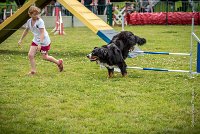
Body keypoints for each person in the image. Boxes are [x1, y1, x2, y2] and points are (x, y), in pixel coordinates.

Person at [18, 5, 63, 75]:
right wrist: (21, 39)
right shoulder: (29, 21)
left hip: (44, 41)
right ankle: (33, 71)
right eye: (34, 14)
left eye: (37, 14)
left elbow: (42, 33)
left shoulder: (40, 21)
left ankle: (58, 62)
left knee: (45, 57)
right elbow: (26, 30)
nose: (36, 16)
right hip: (36, 40)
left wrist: (40, 44)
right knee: (30, 55)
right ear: (29, 14)